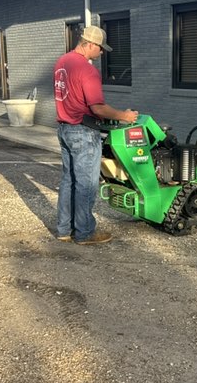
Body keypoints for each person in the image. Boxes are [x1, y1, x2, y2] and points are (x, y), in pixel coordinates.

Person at [54, 25, 138, 245]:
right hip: (82, 131)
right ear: (90, 44)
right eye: (100, 49)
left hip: (64, 128)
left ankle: (64, 229)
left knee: (68, 180)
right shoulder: (87, 69)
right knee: (86, 184)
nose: (101, 54)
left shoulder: (62, 62)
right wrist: (124, 116)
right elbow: (98, 108)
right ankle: (84, 233)